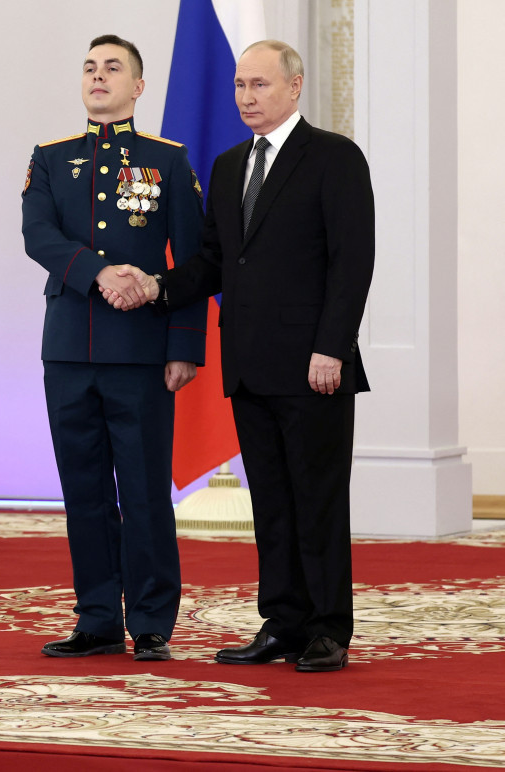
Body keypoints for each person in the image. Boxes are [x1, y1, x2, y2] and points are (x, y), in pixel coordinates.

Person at [103, 40, 375, 672]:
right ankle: (282, 623)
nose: (247, 97)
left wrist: (332, 347)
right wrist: (158, 286)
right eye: (239, 86)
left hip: (315, 367)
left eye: (259, 85)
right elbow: (215, 261)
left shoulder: (334, 157)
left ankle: (328, 629)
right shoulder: (228, 166)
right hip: (250, 366)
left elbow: (352, 263)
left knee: (319, 500)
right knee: (273, 503)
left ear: (294, 87)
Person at [21, 35, 207, 661]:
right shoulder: (50, 158)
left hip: (141, 351)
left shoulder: (168, 161)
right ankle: (97, 616)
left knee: (147, 489)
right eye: (90, 68)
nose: (98, 77)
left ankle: (152, 620)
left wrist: (184, 345)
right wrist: (98, 272)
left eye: (113, 68)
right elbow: (37, 234)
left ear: (138, 87)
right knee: (85, 490)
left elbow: (193, 259)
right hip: (70, 347)